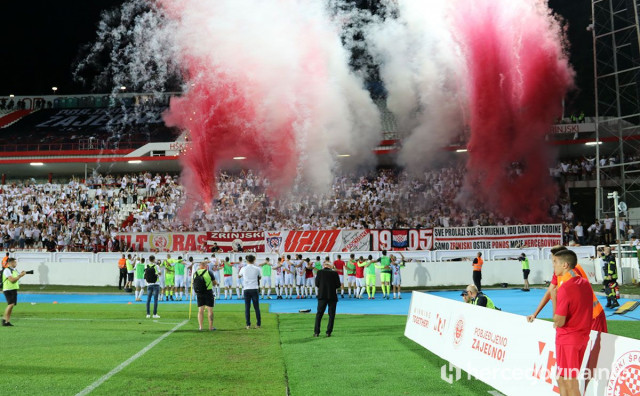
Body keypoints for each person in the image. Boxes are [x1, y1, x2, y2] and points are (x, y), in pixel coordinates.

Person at [527, 245, 607, 333]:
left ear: (564, 263)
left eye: (555, 261)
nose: (553, 264)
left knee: (599, 346)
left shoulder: (573, 274)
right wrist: (535, 314)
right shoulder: (559, 273)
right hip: (582, 319)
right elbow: (549, 292)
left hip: (593, 316)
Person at [552, 249, 592, 395]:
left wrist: (554, 298)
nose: (553, 266)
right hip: (581, 337)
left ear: (565, 265)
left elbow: (559, 321)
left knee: (570, 382)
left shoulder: (565, 288)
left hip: (568, 338)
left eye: (555, 262)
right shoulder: (585, 284)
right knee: (561, 378)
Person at [314, 259, 341, 338]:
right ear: (330, 266)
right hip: (332, 295)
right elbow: (338, 285)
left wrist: (322, 287)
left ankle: (316, 332)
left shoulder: (319, 272)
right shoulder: (335, 273)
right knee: (331, 315)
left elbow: (317, 284)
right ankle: (328, 332)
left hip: (322, 295)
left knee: (319, 314)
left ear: (324, 266)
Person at [238, 254, 261, 329]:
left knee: (247, 307)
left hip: (246, 289)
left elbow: (239, 276)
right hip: (254, 288)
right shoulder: (257, 268)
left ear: (247, 260)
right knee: (256, 307)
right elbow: (259, 277)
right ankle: (258, 324)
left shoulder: (243, 268)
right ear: (254, 260)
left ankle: (248, 324)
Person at [193, 260, 217, 331]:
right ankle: (210, 327)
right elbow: (214, 283)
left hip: (199, 293)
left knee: (200, 310)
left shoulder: (195, 273)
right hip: (208, 292)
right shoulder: (209, 272)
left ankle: (200, 327)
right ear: (206, 266)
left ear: (200, 266)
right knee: (210, 310)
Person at [2, 258, 25, 326]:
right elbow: (12, 280)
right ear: (10, 263)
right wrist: (20, 275)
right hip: (8, 289)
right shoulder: (7, 270)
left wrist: (20, 274)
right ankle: (4, 320)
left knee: (11, 306)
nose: (16, 263)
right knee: (10, 304)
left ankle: (7, 321)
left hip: (13, 289)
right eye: (14, 262)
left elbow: (16, 278)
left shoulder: (14, 270)